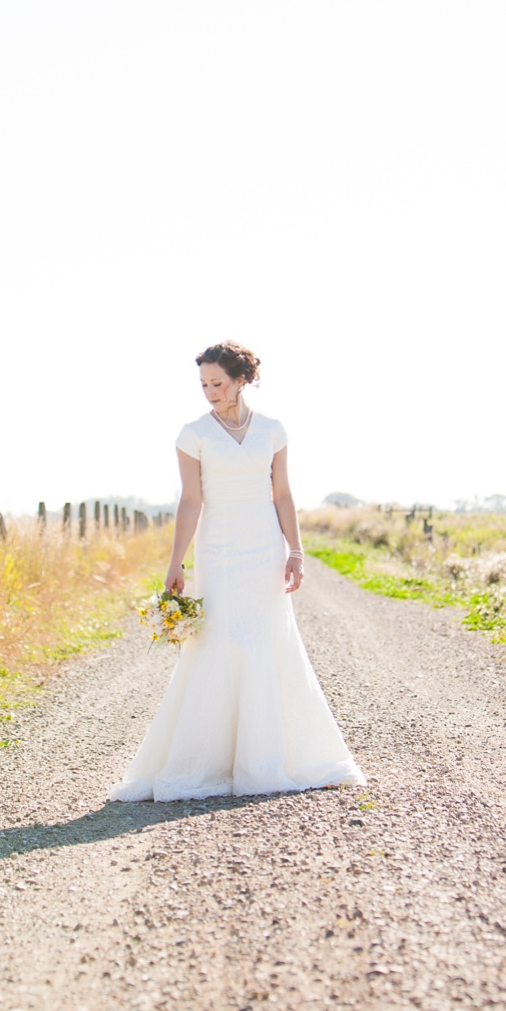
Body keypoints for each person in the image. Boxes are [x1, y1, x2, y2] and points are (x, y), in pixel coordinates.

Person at [110, 340, 365, 801]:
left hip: (264, 547)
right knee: (222, 641)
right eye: (203, 384)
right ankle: (208, 761)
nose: (209, 392)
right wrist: (176, 563)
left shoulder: (273, 430)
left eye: (217, 383)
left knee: (265, 641)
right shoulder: (193, 434)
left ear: (242, 380)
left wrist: (296, 551)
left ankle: (265, 757)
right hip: (219, 550)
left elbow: (282, 495)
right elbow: (191, 500)